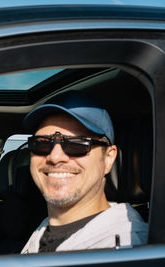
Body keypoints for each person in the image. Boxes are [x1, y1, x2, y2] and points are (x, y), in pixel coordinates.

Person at [21, 91, 147, 253]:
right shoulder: (42, 231)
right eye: (42, 144)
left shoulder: (128, 248)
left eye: (77, 144)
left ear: (108, 158)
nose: (55, 156)